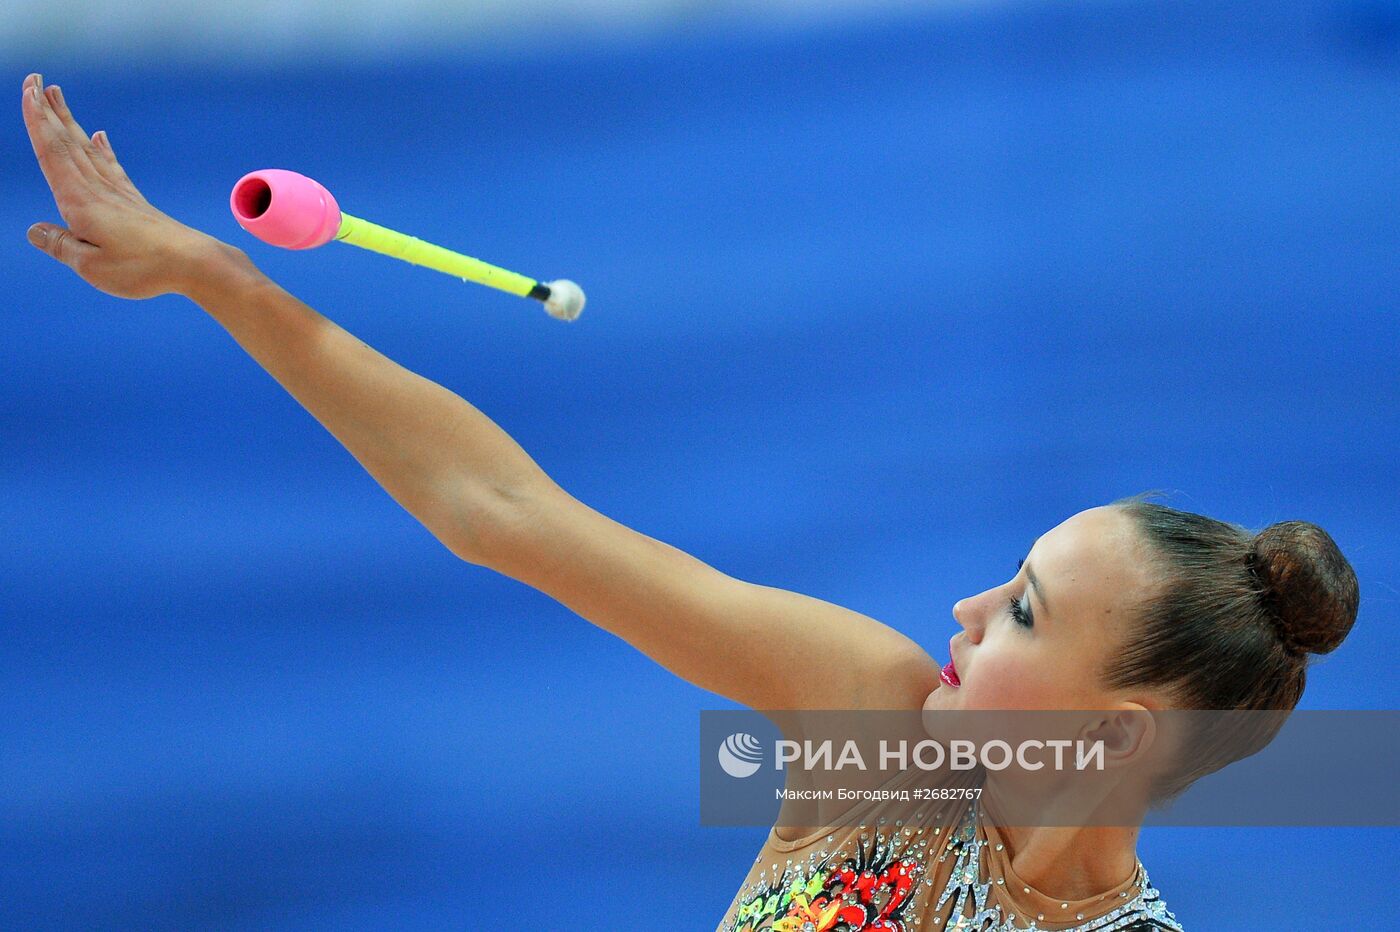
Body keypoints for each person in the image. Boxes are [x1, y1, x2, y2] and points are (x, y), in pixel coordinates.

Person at [21, 74, 1359, 931]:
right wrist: (211, 273)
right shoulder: (876, 724)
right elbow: (500, 508)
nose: (963, 609)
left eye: (1020, 611)